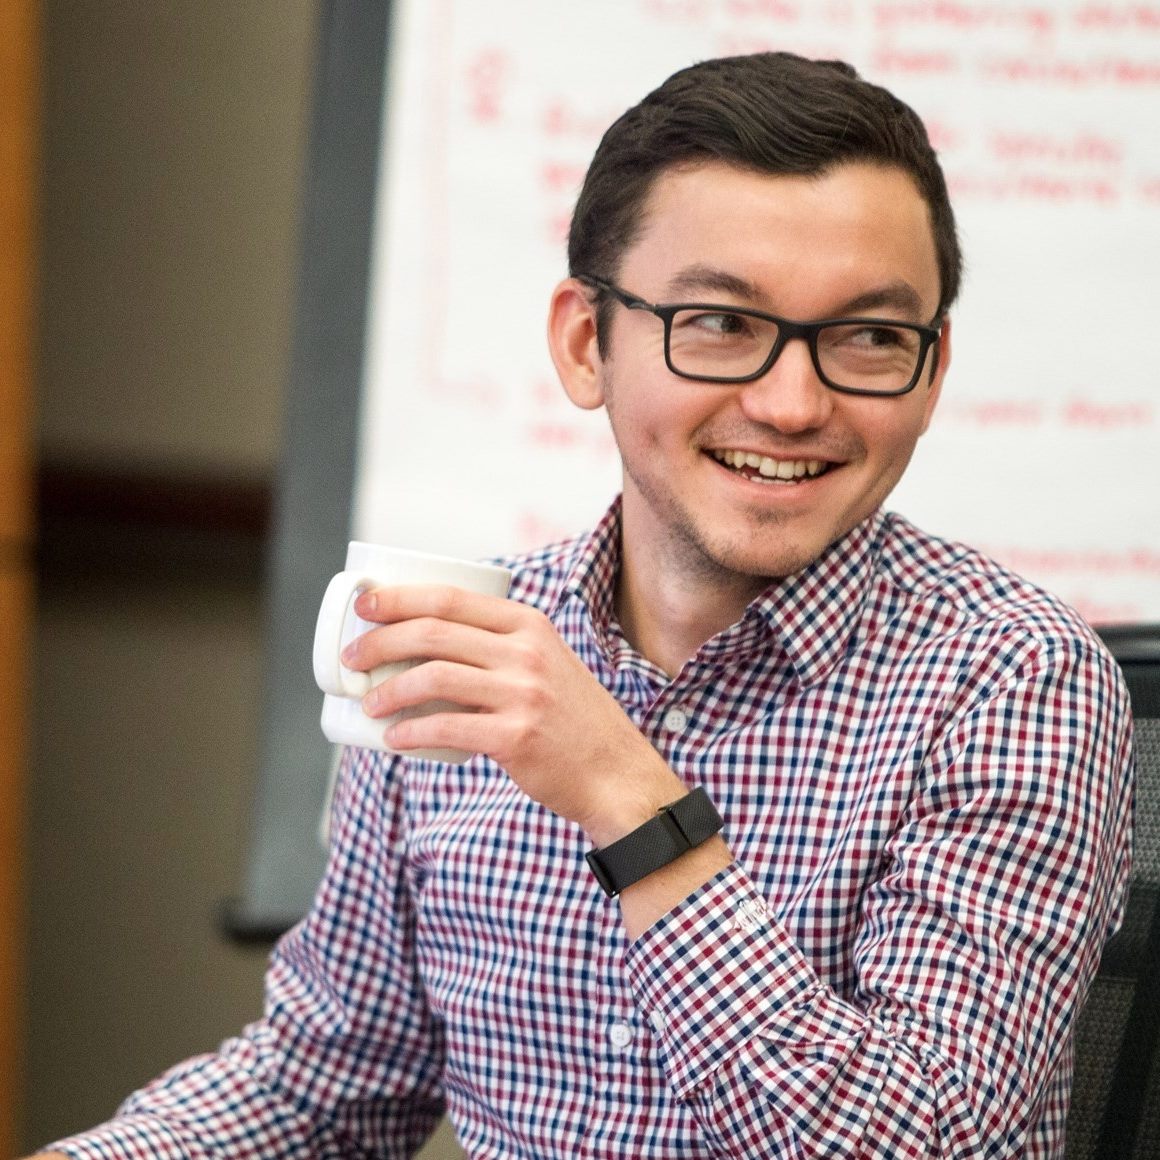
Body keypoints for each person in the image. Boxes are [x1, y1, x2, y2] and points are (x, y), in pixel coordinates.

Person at [35, 51, 1133, 1159]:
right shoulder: (462, 643)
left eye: (869, 337)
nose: (793, 403)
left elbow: (923, 1141)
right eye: (719, 322)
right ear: (582, 343)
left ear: (931, 372)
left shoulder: (1015, 679)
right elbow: (320, 1091)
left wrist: (627, 798)